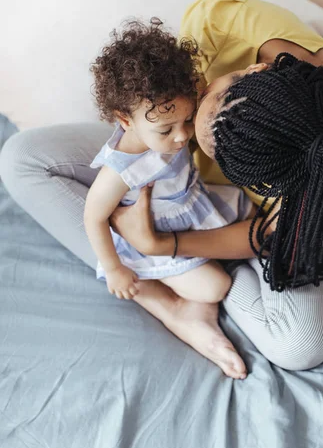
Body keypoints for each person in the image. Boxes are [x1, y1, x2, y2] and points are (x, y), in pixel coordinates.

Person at [1, 0, 323, 378]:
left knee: (301, 346)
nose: (187, 141)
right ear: (251, 72)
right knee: (22, 159)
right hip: (159, 155)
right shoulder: (221, 24)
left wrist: (162, 244)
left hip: (240, 220)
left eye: (225, 160)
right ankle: (166, 300)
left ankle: (196, 288)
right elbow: (161, 112)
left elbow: (269, 234)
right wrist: (152, 142)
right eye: (204, 100)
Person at [84, 21, 252, 326]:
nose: (181, 136)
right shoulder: (122, 170)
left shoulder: (173, 111)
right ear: (125, 120)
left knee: (252, 211)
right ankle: (164, 291)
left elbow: (207, 91)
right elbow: (93, 216)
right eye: (166, 129)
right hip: (153, 236)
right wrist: (113, 269)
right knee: (216, 287)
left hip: (191, 204)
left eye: (187, 120)